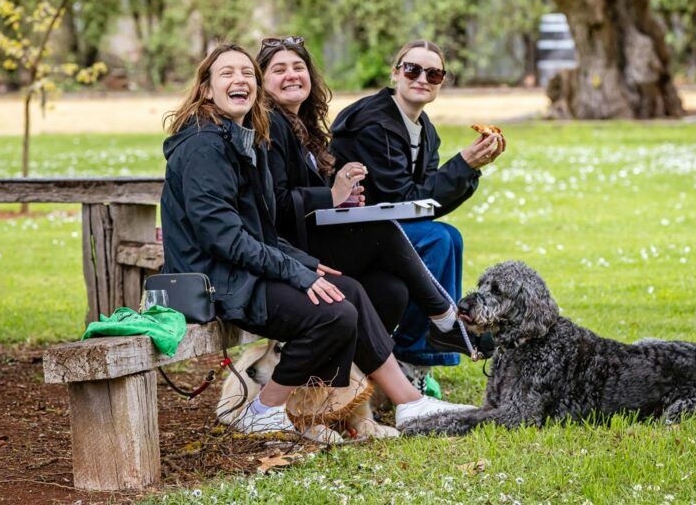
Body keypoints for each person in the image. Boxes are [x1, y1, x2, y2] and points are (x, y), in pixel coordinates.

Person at [159, 43, 473, 433]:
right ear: (206, 89)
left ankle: (409, 403)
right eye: (227, 73)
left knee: (349, 290)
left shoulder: (239, 141)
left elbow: (259, 231)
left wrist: (306, 264)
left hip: (242, 269)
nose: (240, 80)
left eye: (246, 74)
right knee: (335, 312)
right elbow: (224, 239)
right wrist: (298, 271)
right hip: (218, 281)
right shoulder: (204, 147)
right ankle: (263, 409)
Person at [255, 36, 474, 357]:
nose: (291, 75)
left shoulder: (302, 125)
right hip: (289, 248)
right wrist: (331, 195)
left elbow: (426, 202)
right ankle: (443, 325)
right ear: (395, 72)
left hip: (320, 233)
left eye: (298, 67)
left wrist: (340, 197)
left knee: (393, 290)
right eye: (279, 70)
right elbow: (277, 204)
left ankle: (372, 369)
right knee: (420, 235)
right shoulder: (276, 124)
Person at [330, 39, 505, 376]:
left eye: (434, 74)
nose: (422, 78)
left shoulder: (425, 132)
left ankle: (427, 350)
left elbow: (425, 206)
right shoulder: (373, 123)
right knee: (437, 239)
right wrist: (463, 164)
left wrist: (469, 169)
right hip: (346, 233)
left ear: (441, 82)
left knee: (449, 237)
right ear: (396, 73)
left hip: (383, 227)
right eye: (412, 69)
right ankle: (414, 352)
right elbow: (401, 200)